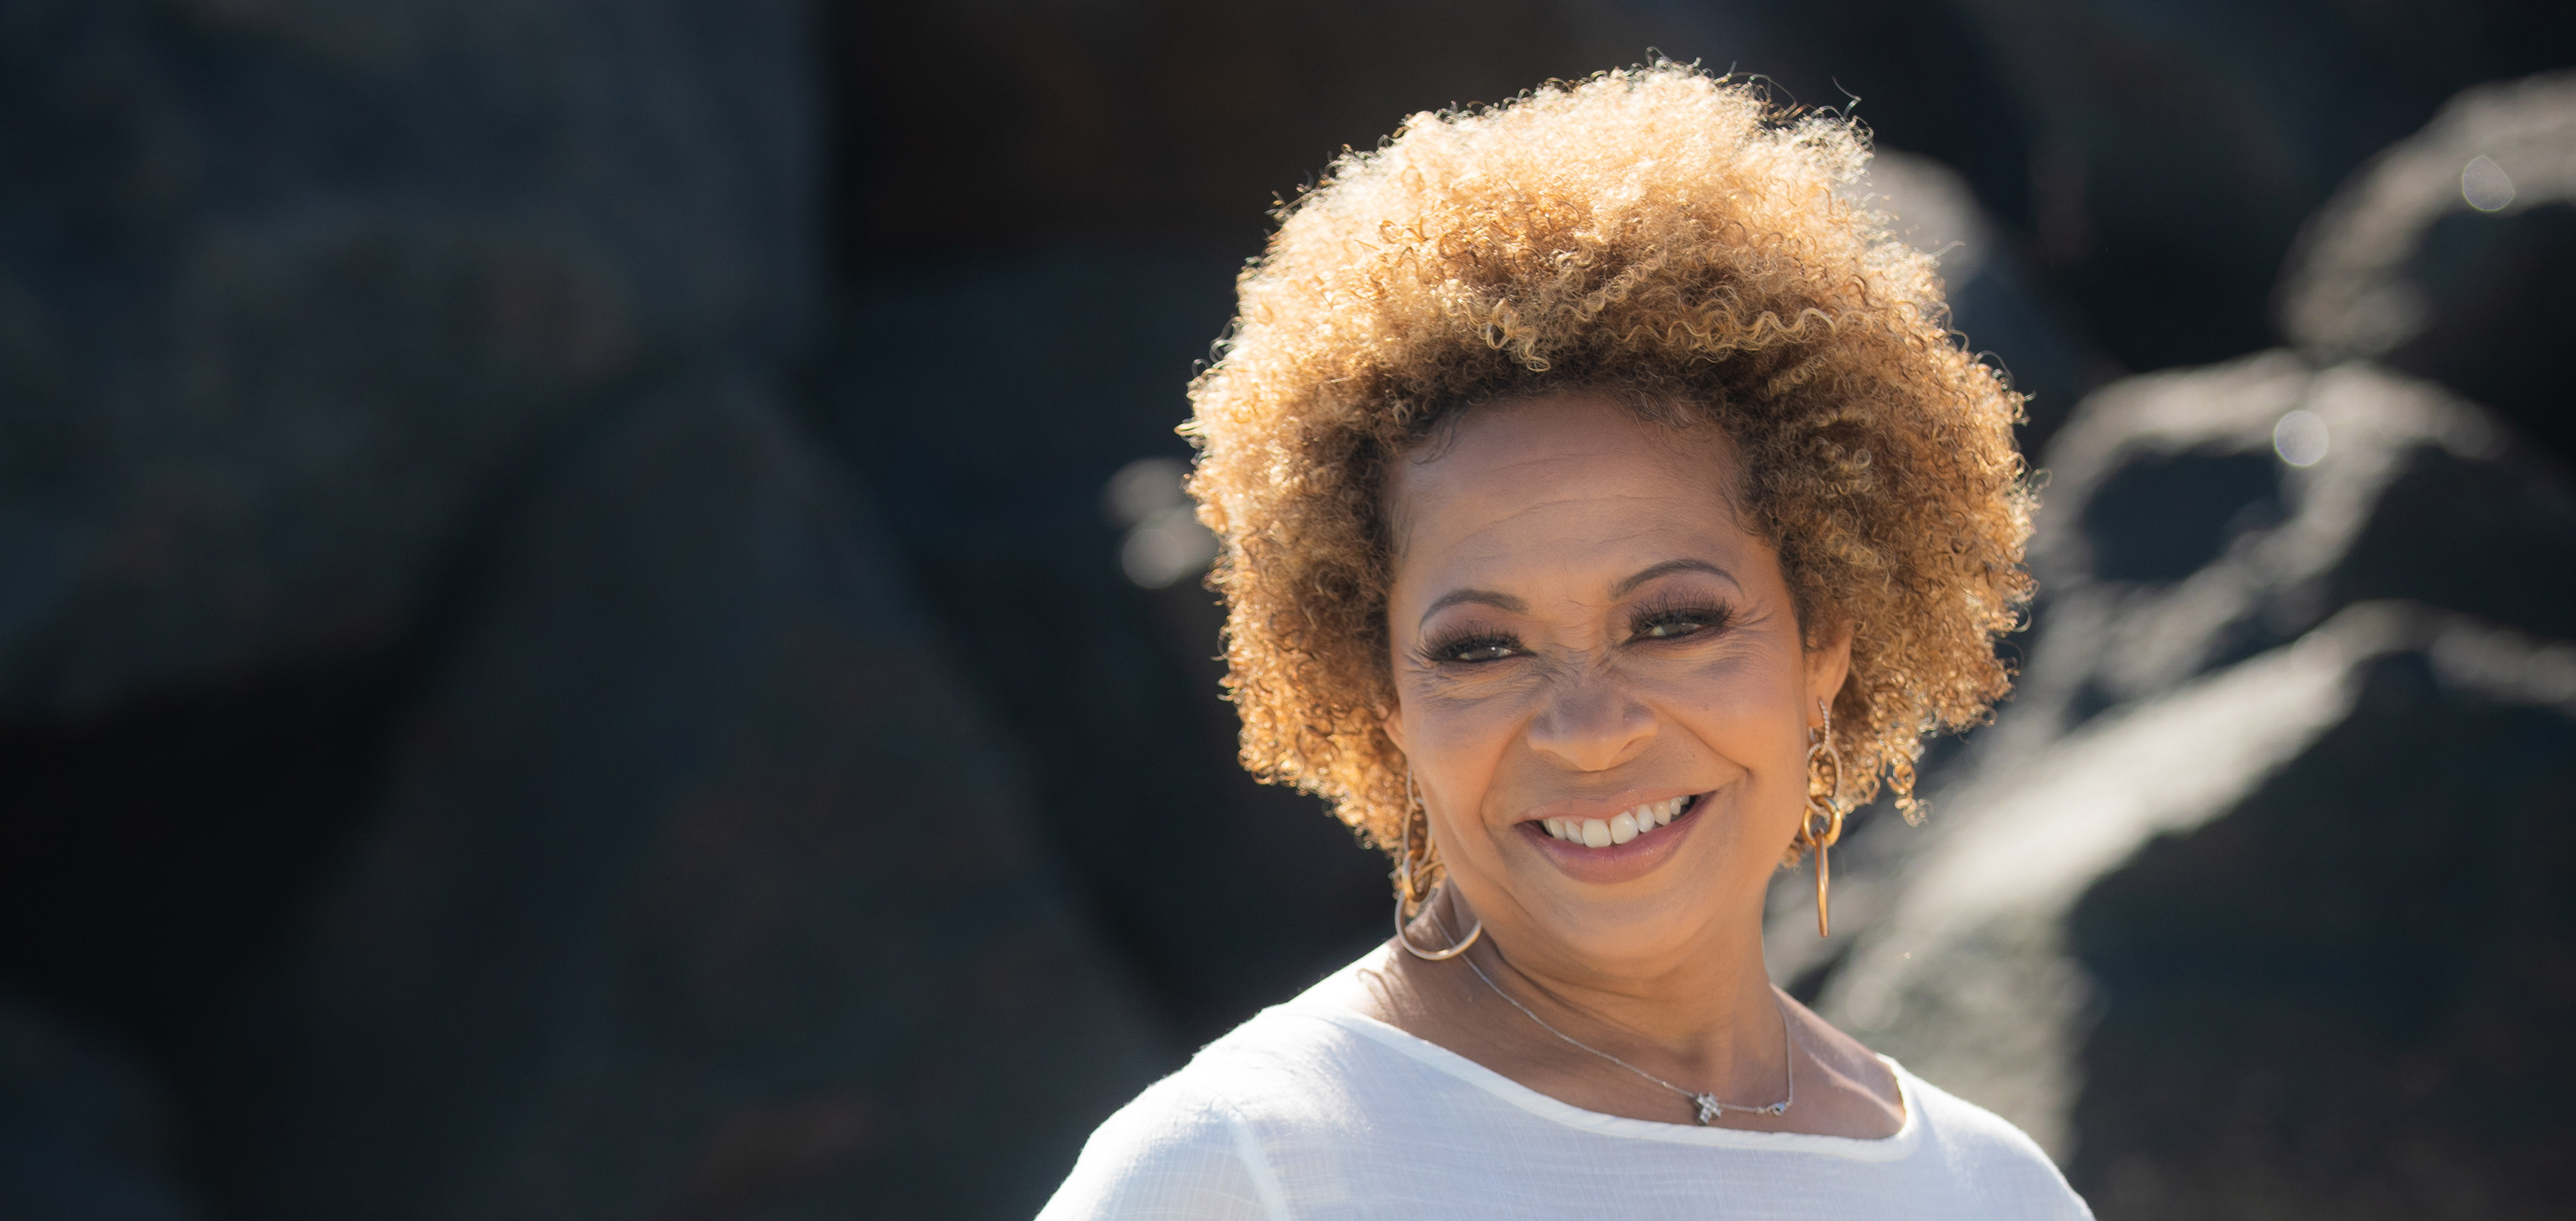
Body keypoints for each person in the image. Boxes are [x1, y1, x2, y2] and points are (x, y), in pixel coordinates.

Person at [1040, 64, 2085, 1219]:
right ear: (1385, 695)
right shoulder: (1240, 1169)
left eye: (1672, 624)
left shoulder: (1990, 1190)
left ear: (1823, 640)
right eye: (1481, 648)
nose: (1589, 731)